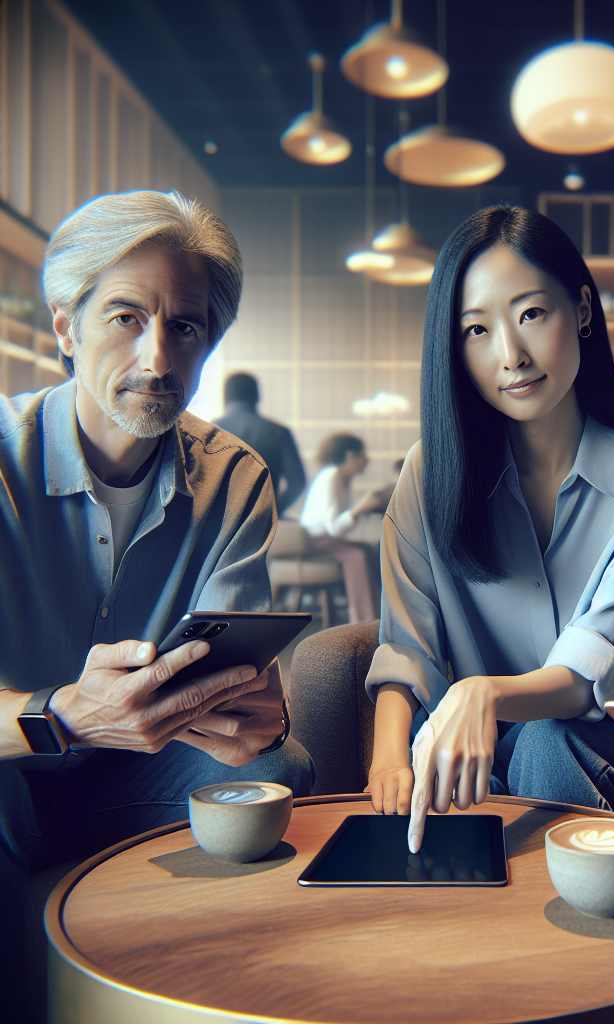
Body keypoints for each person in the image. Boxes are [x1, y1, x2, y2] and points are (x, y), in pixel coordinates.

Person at [0, 190, 313, 1020]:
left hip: (133, 777)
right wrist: (62, 714)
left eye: (186, 327)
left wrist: (255, 717)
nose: (158, 359)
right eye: (126, 318)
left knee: (275, 773)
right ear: (66, 328)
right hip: (10, 769)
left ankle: (215, 1002)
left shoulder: (235, 475)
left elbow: (229, 687)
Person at [363, 205, 614, 853]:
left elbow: (585, 670)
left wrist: (481, 695)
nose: (510, 356)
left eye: (531, 314)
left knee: (545, 742)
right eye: (476, 330)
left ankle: (572, 941)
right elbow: (406, 644)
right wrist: (386, 763)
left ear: (582, 310)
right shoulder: (428, 474)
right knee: (436, 784)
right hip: (479, 733)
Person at [300, 433, 386, 624]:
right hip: (314, 540)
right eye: (363, 454)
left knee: (366, 549)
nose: (367, 459)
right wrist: (361, 507)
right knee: (356, 555)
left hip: (323, 538)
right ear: (350, 456)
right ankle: (364, 619)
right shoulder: (332, 477)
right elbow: (334, 529)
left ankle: (373, 616)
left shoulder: (338, 478)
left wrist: (360, 510)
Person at [215, 372, 306, 513]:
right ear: (257, 396)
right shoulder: (278, 432)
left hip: (218, 522)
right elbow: (297, 482)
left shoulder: (209, 431)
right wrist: (275, 510)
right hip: (262, 519)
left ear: (225, 397)